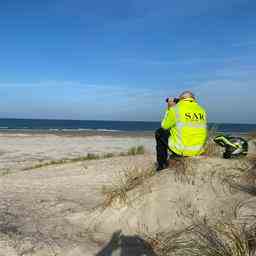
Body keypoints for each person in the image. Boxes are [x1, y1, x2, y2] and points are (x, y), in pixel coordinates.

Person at [155, 91, 208, 171]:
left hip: (182, 150)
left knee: (159, 132)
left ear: (181, 99)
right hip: (198, 150)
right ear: (193, 99)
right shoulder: (202, 110)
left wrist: (169, 108)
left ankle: (162, 165)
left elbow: (164, 126)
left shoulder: (176, 109)